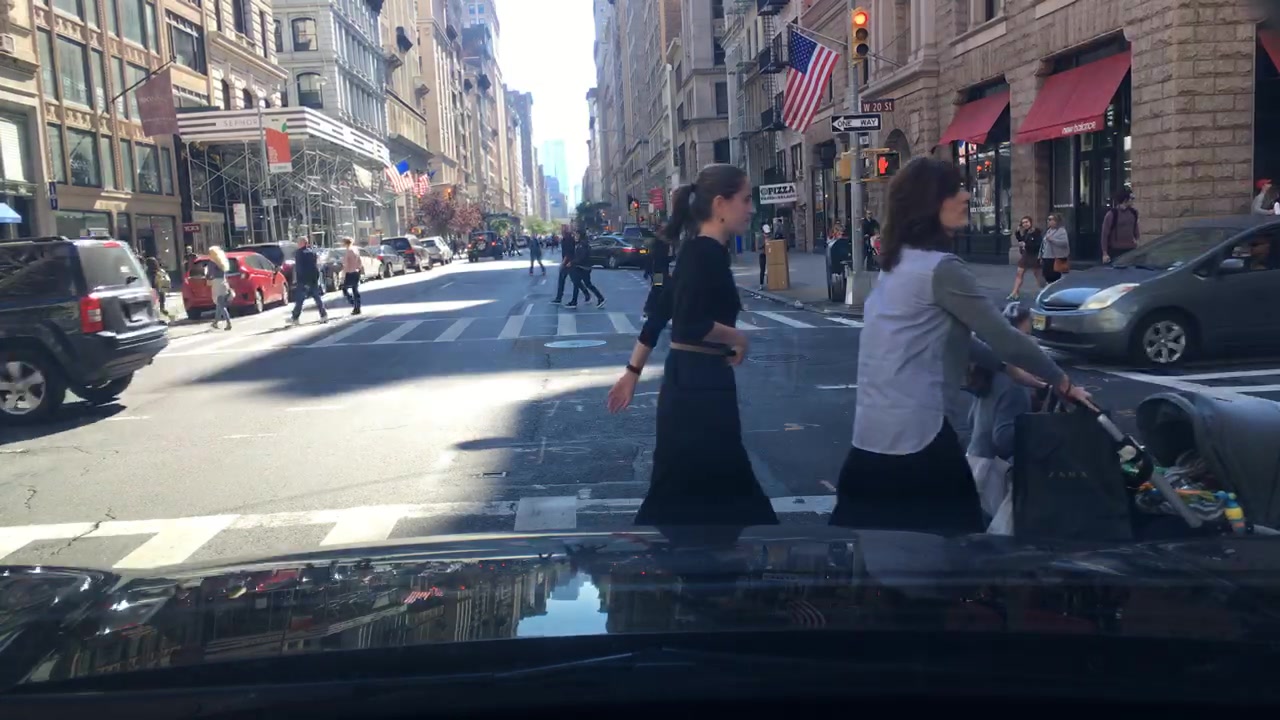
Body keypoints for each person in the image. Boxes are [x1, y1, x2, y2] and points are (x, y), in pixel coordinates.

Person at [829, 157, 1091, 536]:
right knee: (960, 544)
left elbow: (947, 338)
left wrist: (1006, 369)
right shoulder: (942, 269)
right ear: (931, 203)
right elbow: (1004, 336)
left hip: (872, 434)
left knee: (871, 545)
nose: (966, 196)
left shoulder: (897, 266)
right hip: (919, 435)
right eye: (956, 190)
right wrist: (1061, 381)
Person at [606, 163, 776, 528]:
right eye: (746, 200)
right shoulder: (705, 254)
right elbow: (688, 324)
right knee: (722, 495)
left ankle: (684, 555)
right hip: (701, 388)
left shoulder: (695, 251)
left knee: (692, 494)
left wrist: (632, 373)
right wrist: (737, 337)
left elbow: (660, 313)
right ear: (720, 204)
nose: (751, 209)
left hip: (690, 383)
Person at [289, 237, 329, 325]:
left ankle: (295, 317)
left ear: (302, 243)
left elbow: (300, 268)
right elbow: (315, 266)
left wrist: (298, 279)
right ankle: (324, 315)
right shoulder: (312, 252)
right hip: (313, 278)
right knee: (317, 298)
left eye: (298, 242)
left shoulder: (299, 253)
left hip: (303, 280)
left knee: (300, 299)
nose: (297, 244)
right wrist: (316, 278)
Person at [1008, 215, 1044, 299]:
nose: (1025, 224)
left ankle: (1044, 291)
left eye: (1026, 222)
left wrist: (1026, 245)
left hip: (1034, 256)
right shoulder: (1026, 232)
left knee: (1038, 275)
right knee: (1019, 273)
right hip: (1026, 255)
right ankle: (1014, 292)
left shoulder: (1036, 232)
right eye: (1023, 223)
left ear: (1031, 222)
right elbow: (1021, 240)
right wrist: (1017, 232)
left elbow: (1038, 245)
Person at [567, 229, 604, 308]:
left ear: (580, 235)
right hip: (582, 267)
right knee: (584, 284)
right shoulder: (581, 243)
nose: (575, 236)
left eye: (576, 235)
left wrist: (572, 262)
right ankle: (600, 298)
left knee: (578, 283)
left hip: (583, 267)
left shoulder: (582, 245)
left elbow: (581, 257)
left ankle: (574, 302)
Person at [1100, 190, 1139, 264]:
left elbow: (1135, 227)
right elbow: (1105, 234)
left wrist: (1136, 240)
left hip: (1130, 248)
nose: (1133, 200)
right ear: (1125, 200)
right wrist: (1105, 253)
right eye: (1131, 198)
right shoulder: (1112, 214)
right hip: (1116, 250)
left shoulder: (1133, 213)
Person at [642, 233, 671, 319]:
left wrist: (647, 271)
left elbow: (650, 257)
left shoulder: (659, 244)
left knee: (658, 290)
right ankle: (650, 309)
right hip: (659, 271)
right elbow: (657, 258)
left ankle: (650, 308)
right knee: (657, 290)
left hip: (659, 271)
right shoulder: (660, 245)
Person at [207, 246, 234, 331]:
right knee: (219, 304)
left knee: (221, 305)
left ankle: (229, 323)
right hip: (223, 282)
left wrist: (207, 278)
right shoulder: (222, 262)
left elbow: (209, 274)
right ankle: (215, 322)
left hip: (217, 283)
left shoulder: (212, 262)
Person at [1040, 212, 1070, 282]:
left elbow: (1064, 243)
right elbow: (1043, 244)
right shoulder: (1049, 231)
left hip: (1055, 258)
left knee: (1054, 276)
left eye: (1050, 219)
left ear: (1056, 221)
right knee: (1046, 275)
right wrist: (1040, 255)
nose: (1048, 221)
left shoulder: (1061, 231)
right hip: (1046, 256)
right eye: (1048, 219)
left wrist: (1052, 240)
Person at [550, 226, 575, 304]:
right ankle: (559, 297)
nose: (561, 231)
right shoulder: (568, 238)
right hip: (569, 262)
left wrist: (563, 263)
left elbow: (568, 253)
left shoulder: (567, 239)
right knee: (574, 280)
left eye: (562, 230)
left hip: (568, 263)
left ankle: (559, 298)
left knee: (564, 280)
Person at [340, 237, 362, 315]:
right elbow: (359, 261)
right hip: (356, 272)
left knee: (344, 288)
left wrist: (342, 276)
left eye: (343, 243)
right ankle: (357, 307)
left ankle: (352, 302)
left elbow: (345, 265)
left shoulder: (348, 251)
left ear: (345, 243)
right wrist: (359, 269)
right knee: (355, 290)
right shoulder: (356, 249)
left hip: (350, 273)